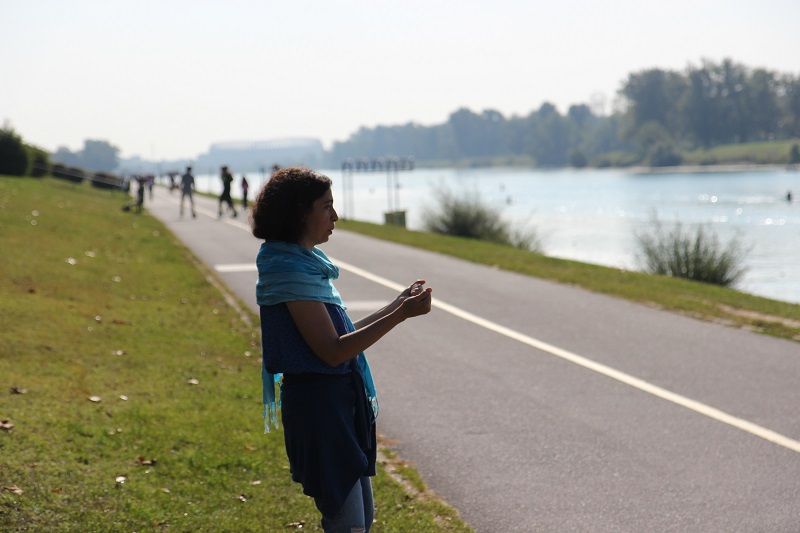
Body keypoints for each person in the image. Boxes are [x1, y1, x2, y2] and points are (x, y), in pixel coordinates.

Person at [251, 167, 432, 533]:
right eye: (327, 207)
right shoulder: (287, 270)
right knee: (347, 524)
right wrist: (401, 314)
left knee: (360, 519)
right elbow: (333, 351)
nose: (335, 217)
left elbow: (342, 336)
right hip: (320, 412)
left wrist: (396, 305)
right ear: (301, 212)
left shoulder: (304, 267)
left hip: (337, 406)